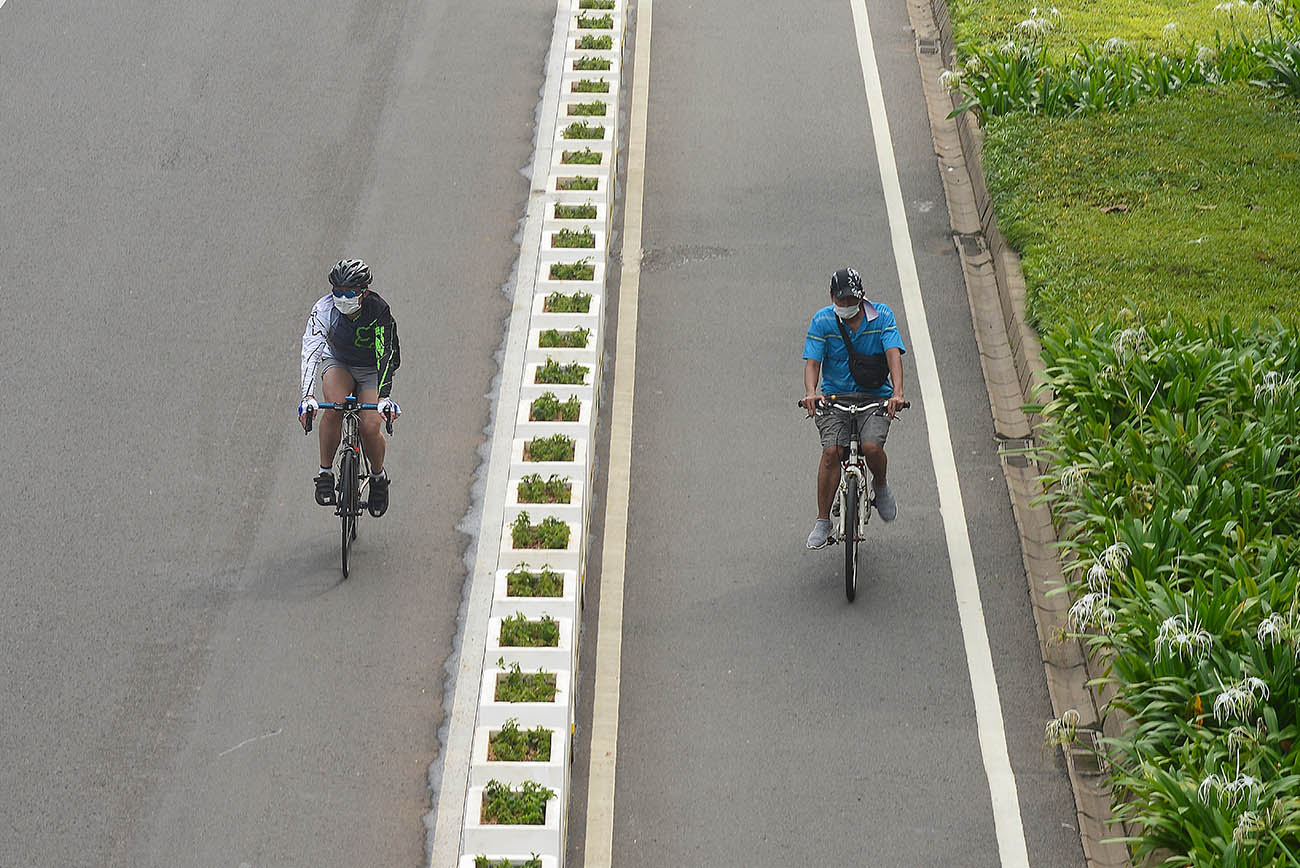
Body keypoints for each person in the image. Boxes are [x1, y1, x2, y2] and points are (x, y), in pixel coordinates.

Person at [800, 267, 906, 549]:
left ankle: (880, 485)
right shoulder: (822, 321)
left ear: (862, 296)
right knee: (832, 452)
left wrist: (897, 393)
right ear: (832, 297)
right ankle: (823, 520)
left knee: (871, 447)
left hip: (875, 398)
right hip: (835, 399)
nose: (846, 306)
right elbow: (812, 362)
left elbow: (893, 354)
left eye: (851, 300)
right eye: (841, 300)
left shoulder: (882, 316)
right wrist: (811, 393)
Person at [297, 258, 402, 517]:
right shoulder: (323, 309)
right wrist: (308, 396)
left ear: (364, 292)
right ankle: (325, 474)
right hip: (339, 361)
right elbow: (311, 350)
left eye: (349, 293)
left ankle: (378, 478)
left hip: (371, 368)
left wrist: (385, 396)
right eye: (337, 292)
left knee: (369, 425)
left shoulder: (378, 311)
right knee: (333, 408)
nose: (342, 298)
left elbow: (386, 354)